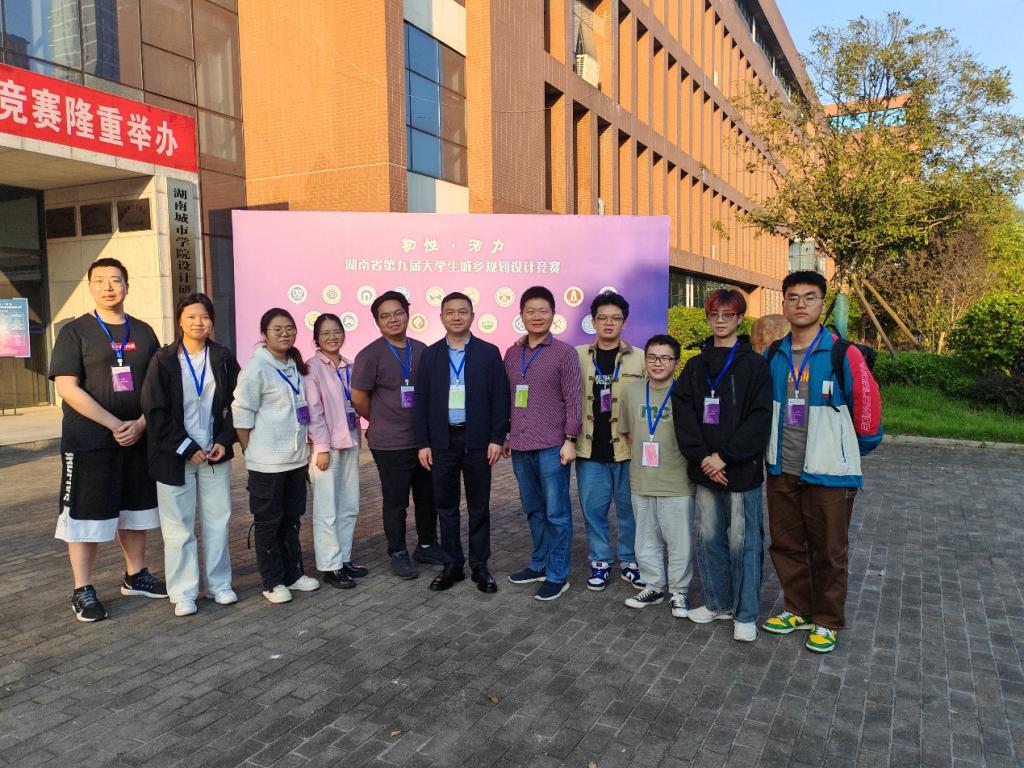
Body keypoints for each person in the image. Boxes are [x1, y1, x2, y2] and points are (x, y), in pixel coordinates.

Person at [761, 270, 882, 653]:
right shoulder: (773, 354)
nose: (800, 304)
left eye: (809, 297)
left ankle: (827, 620)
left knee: (829, 551)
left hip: (829, 473)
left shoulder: (842, 353)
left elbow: (867, 406)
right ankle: (796, 608)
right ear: (784, 304)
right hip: (782, 468)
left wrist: (848, 452)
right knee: (786, 544)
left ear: (822, 304)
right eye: (793, 297)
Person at [50, 257, 166, 622]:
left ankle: (136, 575)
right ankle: (82, 589)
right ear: (90, 287)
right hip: (90, 442)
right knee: (85, 515)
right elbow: (66, 387)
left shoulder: (143, 332)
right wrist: (115, 423)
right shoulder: (75, 331)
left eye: (115, 280)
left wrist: (142, 424)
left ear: (127, 286)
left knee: (135, 510)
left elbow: (159, 385)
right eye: (100, 280)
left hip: (137, 439)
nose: (108, 287)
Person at [673, 289, 772, 642]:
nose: (720, 320)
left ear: (739, 318)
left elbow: (759, 418)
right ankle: (718, 602)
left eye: (727, 315)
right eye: (714, 314)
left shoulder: (754, 365)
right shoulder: (695, 366)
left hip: (740, 470)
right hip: (705, 469)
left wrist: (725, 456)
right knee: (709, 537)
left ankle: (745, 614)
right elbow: (683, 414)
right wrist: (703, 457)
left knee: (743, 542)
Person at [141, 293, 240, 617]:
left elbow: (238, 403)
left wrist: (225, 440)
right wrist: (186, 447)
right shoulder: (163, 360)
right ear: (180, 321)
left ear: (212, 321)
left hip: (214, 454)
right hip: (175, 457)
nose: (199, 323)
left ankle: (219, 584)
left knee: (218, 521)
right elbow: (155, 411)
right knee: (178, 527)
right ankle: (183, 591)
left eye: (205, 317)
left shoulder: (222, 357)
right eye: (191, 317)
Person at [414, 292, 510, 593]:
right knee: (446, 506)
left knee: (479, 506)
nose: (456, 317)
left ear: (472, 316)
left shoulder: (488, 352)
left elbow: (500, 397)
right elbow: (421, 401)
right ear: (442, 317)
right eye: (450, 312)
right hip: (442, 442)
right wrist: (423, 442)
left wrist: (496, 437)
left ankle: (480, 566)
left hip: (478, 440)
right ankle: (452, 565)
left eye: (462, 311)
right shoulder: (430, 355)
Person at [232, 308, 320, 604]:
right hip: (266, 463)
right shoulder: (256, 367)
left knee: (292, 519)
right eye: (277, 329)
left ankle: (293, 574)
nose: (285, 334)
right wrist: (250, 451)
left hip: (295, 459)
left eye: (289, 328)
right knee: (268, 523)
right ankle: (272, 581)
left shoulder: (294, 364)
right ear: (264, 334)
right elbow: (241, 412)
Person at [351, 290, 441, 579]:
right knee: (396, 501)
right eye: (385, 316)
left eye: (398, 313)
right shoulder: (369, 355)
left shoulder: (423, 350)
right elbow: (359, 398)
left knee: (427, 497)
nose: (393, 319)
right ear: (377, 321)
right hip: (389, 443)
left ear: (407, 314)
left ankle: (427, 545)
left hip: (423, 441)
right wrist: (381, 419)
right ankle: (398, 552)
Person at [502, 286, 582, 601]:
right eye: (530, 311)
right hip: (520, 445)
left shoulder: (564, 353)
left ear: (553, 315)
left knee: (557, 513)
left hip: (552, 445)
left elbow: (573, 399)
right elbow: (507, 397)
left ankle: (558, 575)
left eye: (543, 311)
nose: (537, 316)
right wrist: (506, 434)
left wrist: (570, 439)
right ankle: (539, 563)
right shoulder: (512, 354)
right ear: (521, 315)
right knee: (533, 510)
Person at [618, 335, 696, 617]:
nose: (657, 363)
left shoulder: (686, 393)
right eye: (652, 357)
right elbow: (627, 432)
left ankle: (679, 592)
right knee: (645, 538)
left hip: (677, 481)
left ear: (676, 362)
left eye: (665, 358)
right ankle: (653, 586)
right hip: (642, 479)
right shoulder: (632, 391)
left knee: (679, 542)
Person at [574, 291, 646, 593]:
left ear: (624, 322)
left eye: (615, 318)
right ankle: (600, 561)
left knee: (630, 511)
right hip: (589, 449)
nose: (608, 323)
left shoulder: (640, 357)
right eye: (602, 318)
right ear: (593, 321)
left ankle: (630, 560)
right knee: (594, 511)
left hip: (627, 450)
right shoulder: (576, 355)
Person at [305, 313, 366, 589]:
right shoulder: (312, 368)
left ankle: (344, 558)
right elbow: (313, 411)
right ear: (317, 339)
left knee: (349, 504)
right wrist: (320, 447)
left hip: (350, 441)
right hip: (326, 447)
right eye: (325, 333)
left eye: (336, 331)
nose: (332, 337)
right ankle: (330, 565)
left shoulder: (350, 366)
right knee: (327, 508)